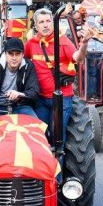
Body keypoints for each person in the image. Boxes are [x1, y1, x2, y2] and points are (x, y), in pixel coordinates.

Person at [24, 8, 92, 143]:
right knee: (40, 135)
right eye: (41, 22)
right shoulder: (31, 43)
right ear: (36, 26)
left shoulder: (63, 41)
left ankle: (58, 163)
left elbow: (78, 57)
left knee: (57, 137)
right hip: (40, 99)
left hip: (62, 98)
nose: (45, 25)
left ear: (54, 23)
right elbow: (19, 60)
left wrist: (84, 43)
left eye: (48, 21)